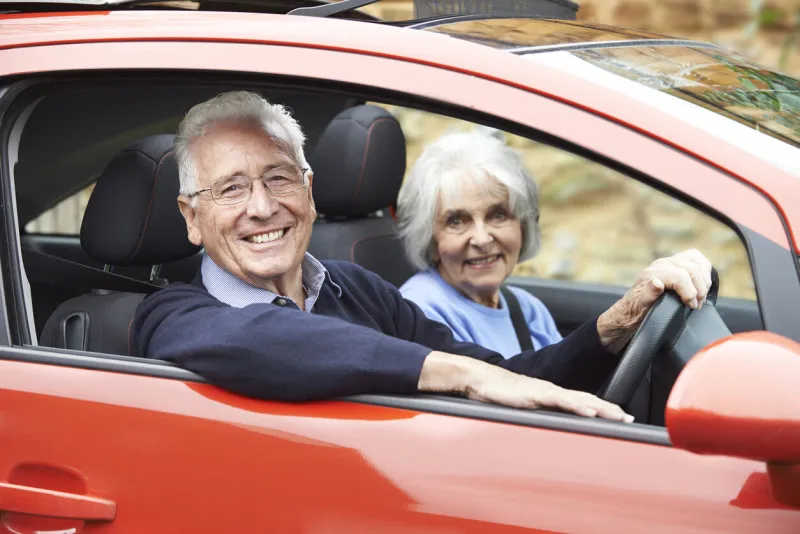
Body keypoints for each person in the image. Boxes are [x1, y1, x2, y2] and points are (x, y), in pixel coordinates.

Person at [131, 90, 714, 422]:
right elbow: (264, 338)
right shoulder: (173, 315)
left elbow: (509, 379)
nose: (262, 207)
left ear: (309, 193)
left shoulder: (356, 288)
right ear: (190, 218)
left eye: (279, 178)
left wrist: (619, 323)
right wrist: (457, 376)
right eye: (231, 189)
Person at [398, 129, 561, 357]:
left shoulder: (527, 308)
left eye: (498, 215)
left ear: (523, 226)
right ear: (429, 239)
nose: (482, 239)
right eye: (456, 220)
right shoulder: (420, 314)